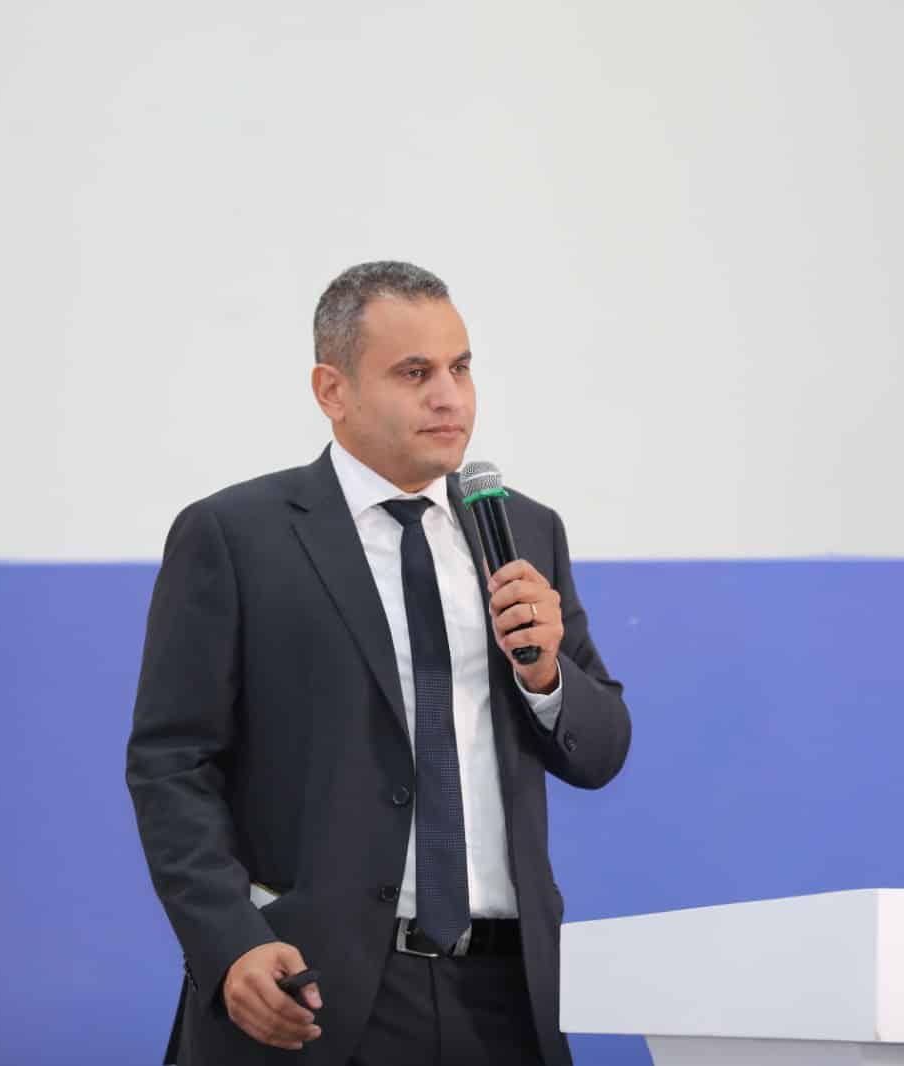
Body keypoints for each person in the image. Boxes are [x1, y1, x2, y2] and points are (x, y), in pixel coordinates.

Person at [126, 261, 632, 1066]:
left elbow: (600, 753)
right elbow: (172, 762)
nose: (449, 397)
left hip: (506, 997)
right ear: (333, 390)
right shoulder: (237, 535)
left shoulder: (525, 530)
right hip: (312, 990)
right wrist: (229, 940)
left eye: (461, 368)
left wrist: (545, 677)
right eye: (415, 373)